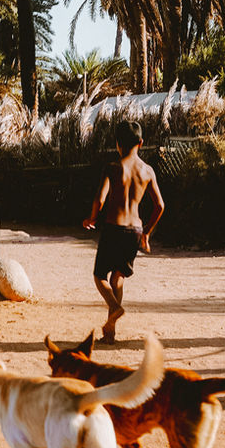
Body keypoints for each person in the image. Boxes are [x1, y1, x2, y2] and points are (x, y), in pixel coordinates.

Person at [82, 120, 165, 342]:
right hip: (134, 230)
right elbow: (160, 206)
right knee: (118, 277)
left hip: (113, 228)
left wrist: (91, 218)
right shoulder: (147, 171)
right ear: (141, 143)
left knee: (100, 276)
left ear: (118, 144)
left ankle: (114, 306)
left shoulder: (112, 167)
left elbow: (100, 199)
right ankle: (110, 333)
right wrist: (146, 232)